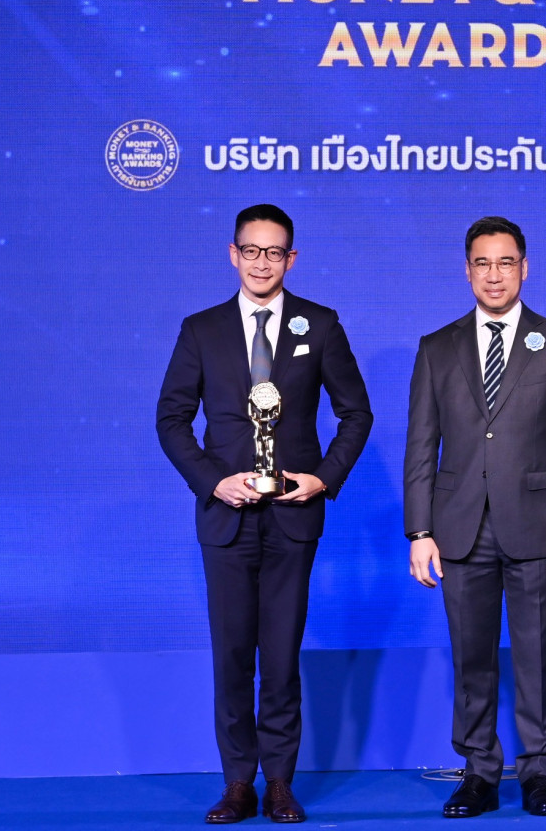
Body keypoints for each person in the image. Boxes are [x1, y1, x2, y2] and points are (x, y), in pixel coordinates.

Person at [156, 204, 372, 824]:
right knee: (231, 657)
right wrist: (213, 482)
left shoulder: (319, 324)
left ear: (291, 259)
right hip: (225, 520)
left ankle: (279, 782)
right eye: (251, 251)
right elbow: (171, 420)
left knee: (280, 656)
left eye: (274, 252)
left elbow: (356, 414)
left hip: (292, 519)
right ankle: (236, 784)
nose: (261, 263)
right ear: (233, 254)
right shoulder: (202, 329)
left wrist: (322, 478)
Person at [404, 216, 546, 818]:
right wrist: (420, 531)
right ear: (467, 271)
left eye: (506, 262)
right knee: (471, 657)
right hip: (458, 527)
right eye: (483, 263)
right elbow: (420, 446)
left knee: (536, 655)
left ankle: (538, 772)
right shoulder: (437, 347)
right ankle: (479, 773)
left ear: (525, 268)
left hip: (539, 526)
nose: (494, 275)